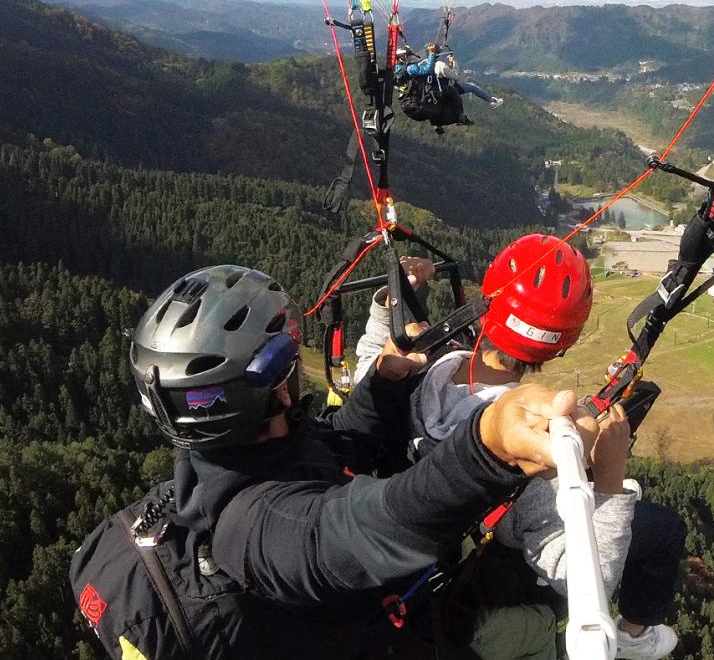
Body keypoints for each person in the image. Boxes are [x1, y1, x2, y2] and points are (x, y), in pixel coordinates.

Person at [69, 264, 597, 660]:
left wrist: (383, 387)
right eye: (288, 355)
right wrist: (485, 447)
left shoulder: (248, 456)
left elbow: (336, 443)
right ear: (273, 390)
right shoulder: (260, 529)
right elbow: (363, 527)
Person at [355, 238, 685, 660]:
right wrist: (608, 479)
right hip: (476, 583)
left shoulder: (419, 368)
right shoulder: (529, 448)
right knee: (663, 529)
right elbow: (589, 582)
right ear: (562, 343)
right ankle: (635, 638)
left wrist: (390, 306)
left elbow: (370, 368)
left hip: (400, 519)